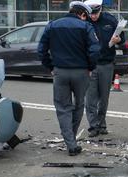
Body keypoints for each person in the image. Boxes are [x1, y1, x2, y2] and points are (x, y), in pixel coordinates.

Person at [38, 1, 100, 156]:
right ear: (83, 14)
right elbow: (95, 50)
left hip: (60, 72)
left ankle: (70, 142)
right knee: (79, 105)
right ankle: (71, 141)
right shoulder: (86, 27)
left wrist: (51, 67)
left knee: (63, 108)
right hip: (81, 73)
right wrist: (90, 67)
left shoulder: (52, 25)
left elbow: (41, 50)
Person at [84, 0, 125, 137]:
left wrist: (117, 40)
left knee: (104, 98)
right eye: (91, 14)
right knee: (90, 99)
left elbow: (122, 39)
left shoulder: (110, 20)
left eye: (96, 13)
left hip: (107, 63)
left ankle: (101, 125)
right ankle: (93, 126)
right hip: (90, 65)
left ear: (100, 9)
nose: (93, 16)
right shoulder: (84, 22)